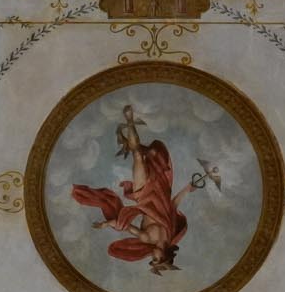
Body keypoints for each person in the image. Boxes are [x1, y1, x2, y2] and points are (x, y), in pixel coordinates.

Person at [70, 104, 200, 274]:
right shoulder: (171, 234)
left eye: (152, 261)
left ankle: (130, 121)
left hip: (143, 193)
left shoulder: (146, 238)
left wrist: (106, 224)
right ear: (164, 256)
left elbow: (126, 227)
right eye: (155, 259)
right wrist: (188, 188)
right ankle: (129, 139)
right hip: (161, 189)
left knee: (138, 155)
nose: (152, 257)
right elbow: (173, 205)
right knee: (149, 155)